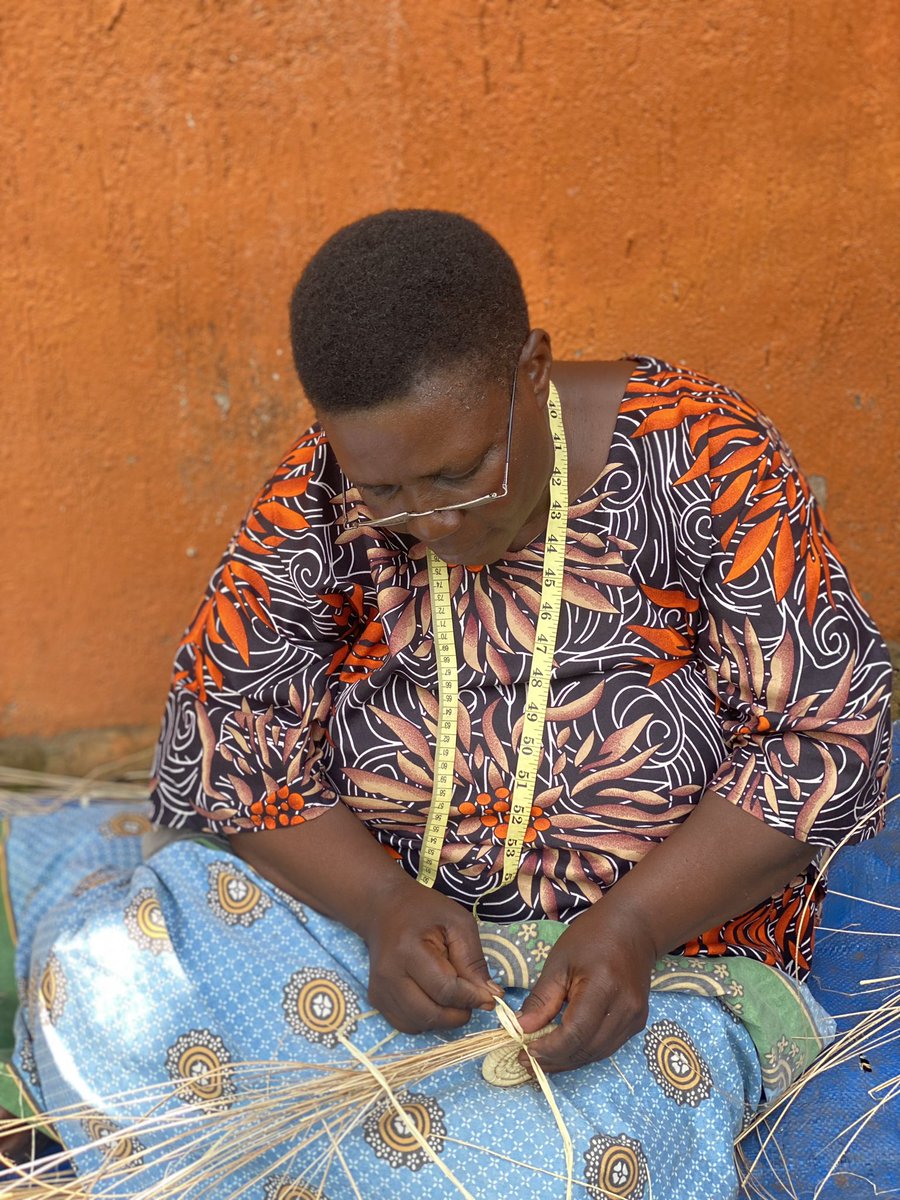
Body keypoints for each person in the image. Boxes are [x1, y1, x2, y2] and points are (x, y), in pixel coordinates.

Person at [0, 210, 891, 1199]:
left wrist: (635, 926)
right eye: (389, 491)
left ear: (533, 370)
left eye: (460, 471)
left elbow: (827, 738)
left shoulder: (705, 462)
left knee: (559, 1170)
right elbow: (232, 732)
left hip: (645, 976)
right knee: (108, 982)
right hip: (377, 948)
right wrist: (382, 906)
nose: (433, 522)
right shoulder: (324, 487)